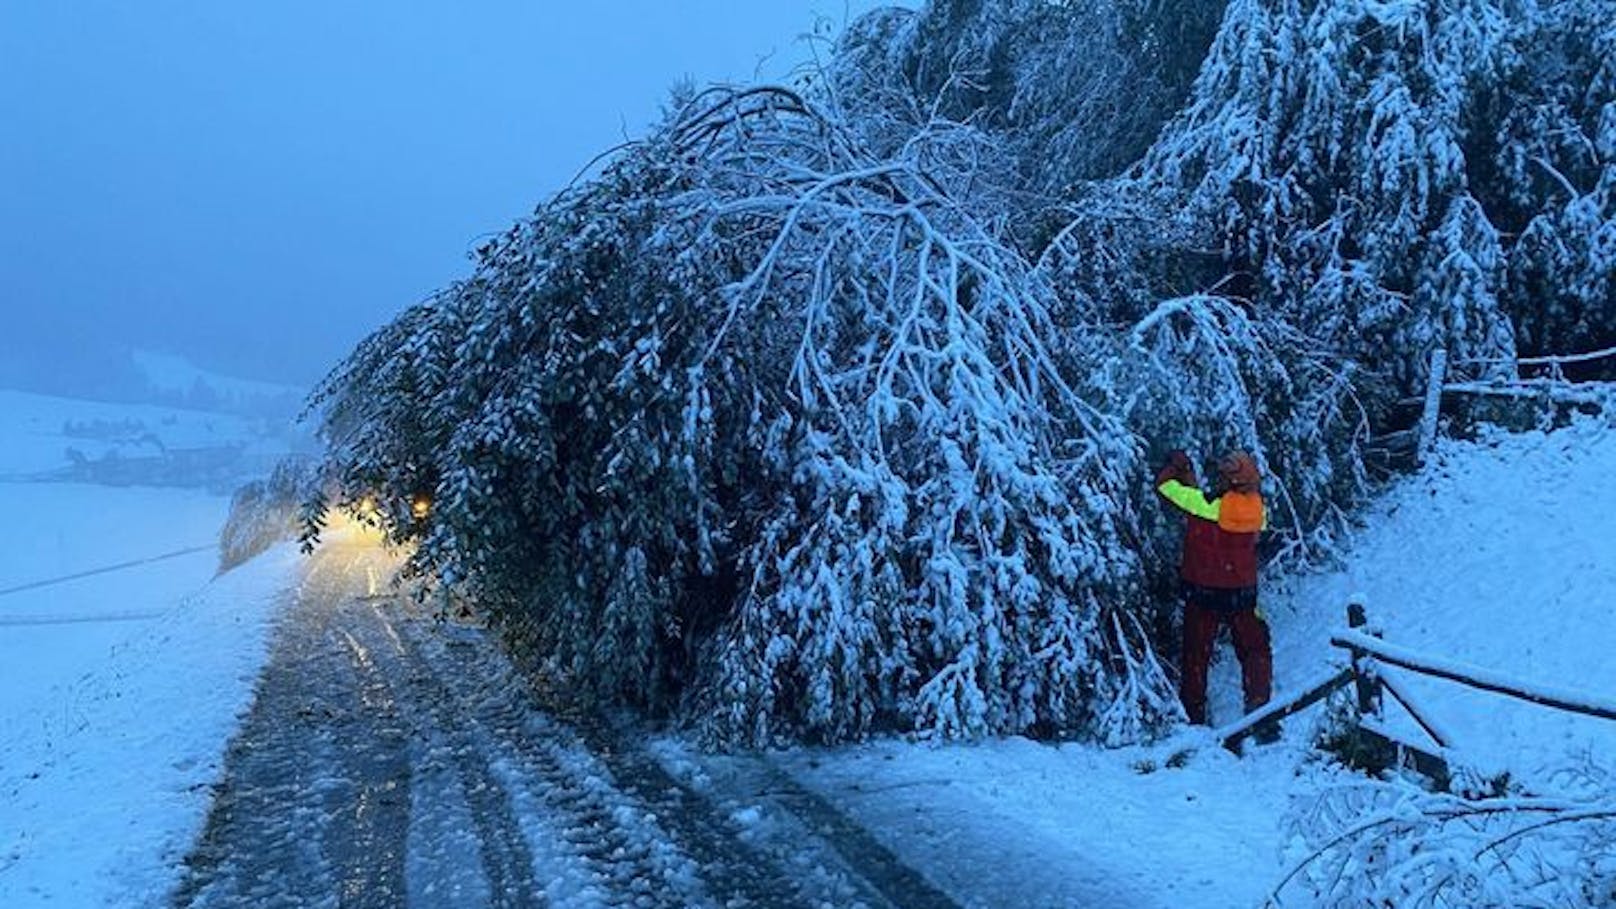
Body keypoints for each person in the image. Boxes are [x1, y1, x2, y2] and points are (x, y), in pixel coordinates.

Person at [1155, 448, 1274, 737]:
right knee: (1255, 651)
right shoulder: (1259, 511)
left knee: (1196, 655)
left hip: (1202, 592)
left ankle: (1193, 715)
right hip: (1242, 593)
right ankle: (1260, 711)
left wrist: (1174, 469)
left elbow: (1168, 490)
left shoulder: (1206, 506)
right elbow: (1212, 506)